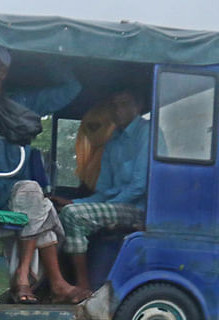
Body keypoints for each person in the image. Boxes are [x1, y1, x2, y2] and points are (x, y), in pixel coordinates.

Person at [0, 46, 85, 304]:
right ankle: (48, 283)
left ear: (3, 72)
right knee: (39, 203)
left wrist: (43, 52)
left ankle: (29, 279)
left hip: (17, 193)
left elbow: (71, 89)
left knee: (33, 196)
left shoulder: (20, 102)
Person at [52, 89, 150, 296]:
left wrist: (102, 207)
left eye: (124, 104)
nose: (118, 110)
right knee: (61, 212)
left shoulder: (146, 132)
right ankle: (55, 284)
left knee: (74, 216)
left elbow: (140, 185)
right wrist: (75, 202)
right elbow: (104, 190)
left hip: (138, 208)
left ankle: (84, 287)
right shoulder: (113, 140)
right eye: (114, 105)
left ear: (138, 107)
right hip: (116, 205)